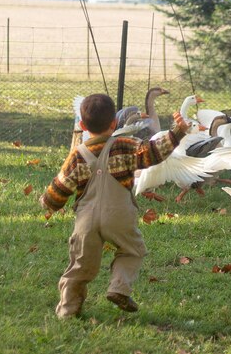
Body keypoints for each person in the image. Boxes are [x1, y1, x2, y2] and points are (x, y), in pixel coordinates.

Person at [39, 93, 190, 319]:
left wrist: (47, 202)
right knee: (133, 250)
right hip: (120, 216)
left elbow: (59, 190)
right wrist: (176, 132)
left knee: (80, 266)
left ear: (82, 125)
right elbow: (153, 152)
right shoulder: (125, 145)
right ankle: (118, 288)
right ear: (114, 122)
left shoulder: (77, 155)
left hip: (86, 221)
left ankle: (67, 311)